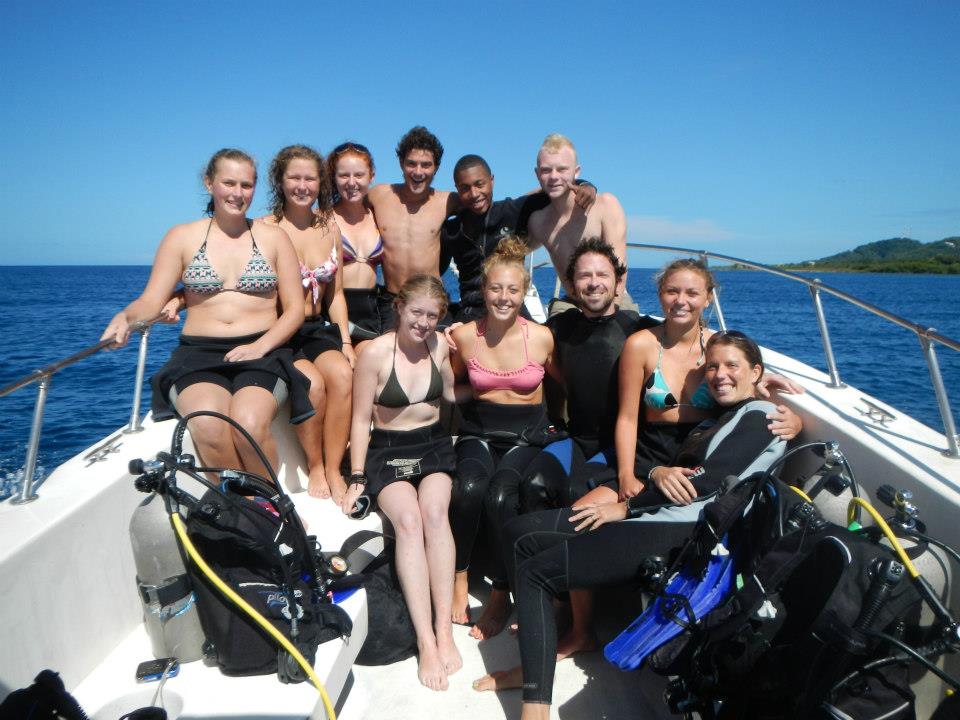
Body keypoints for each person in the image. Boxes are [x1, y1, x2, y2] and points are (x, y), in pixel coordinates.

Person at [472, 331, 789, 720]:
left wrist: (625, 508)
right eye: (712, 367)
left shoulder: (760, 417)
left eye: (731, 366)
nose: (719, 374)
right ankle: (538, 662)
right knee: (518, 534)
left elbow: (704, 483)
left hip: (683, 533)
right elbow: (685, 471)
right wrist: (650, 478)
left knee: (537, 571)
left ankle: (534, 709)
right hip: (663, 516)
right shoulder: (733, 414)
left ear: (756, 371)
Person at [101, 148, 306, 479]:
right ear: (209, 183)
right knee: (208, 427)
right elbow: (151, 301)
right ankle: (234, 511)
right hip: (199, 353)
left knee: (249, 425)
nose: (238, 193)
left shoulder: (274, 238)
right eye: (229, 183)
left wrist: (261, 346)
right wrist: (126, 317)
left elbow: (296, 309)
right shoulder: (181, 237)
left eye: (247, 185)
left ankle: (271, 506)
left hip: (262, 351)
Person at [341, 275, 462, 691]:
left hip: (431, 444)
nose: (424, 323)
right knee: (408, 521)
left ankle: (444, 630)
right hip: (386, 450)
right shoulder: (373, 353)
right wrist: (357, 477)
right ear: (399, 308)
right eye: (417, 312)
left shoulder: (441, 345)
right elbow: (359, 419)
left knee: (434, 513)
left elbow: (450, 395)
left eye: (433, 315)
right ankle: (425, 641)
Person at [448, 237, 559, 639]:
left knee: (500, 496)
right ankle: (458, 577)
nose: (504, 297)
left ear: (524, 291)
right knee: (468, 490)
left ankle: (500, 591)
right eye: (496, 288)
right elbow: (456, 384)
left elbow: (563, 387)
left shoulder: (542, 337)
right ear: (483, 289)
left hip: (526, 436)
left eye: (513, 289)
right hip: (478, 430)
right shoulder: (463, 336)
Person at [261, 145, 354, 501]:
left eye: (310, 178)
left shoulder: (328, 227)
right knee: (311, 384)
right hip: (282, 332)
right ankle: (315, 465)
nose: (302, 185)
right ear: (280, 181)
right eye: (294, 177)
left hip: (317, 329)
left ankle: (335, 467)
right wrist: (179, 297)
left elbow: (337, 295)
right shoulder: (266, 228)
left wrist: (345, 340)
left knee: (343, 375)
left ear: (321, 182)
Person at [440, 154, 597, 323]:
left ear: (491, 181)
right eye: (465, 188)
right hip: (472, 312)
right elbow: (435, 272)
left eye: (480, 184)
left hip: (513, 308)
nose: (474, 193)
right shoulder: (451, 230)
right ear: (457, 188)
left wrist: (587, 186)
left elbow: (555, 190)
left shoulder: (513, 211)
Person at [525, 133, 636, 314]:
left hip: (612, 299)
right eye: (546, 170)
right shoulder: (539, 222)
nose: (554, 177)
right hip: (573, 303)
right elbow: (511, 251)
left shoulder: (606, 206)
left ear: (576, 172)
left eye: (562, 170)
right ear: (537, 174)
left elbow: (619, 276)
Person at [366, 126, 459, 329]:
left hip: (431, 298)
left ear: (436, 167)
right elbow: (341, 209)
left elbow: (493, 207)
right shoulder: (379, 195)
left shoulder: (448, 201)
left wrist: (544, 193)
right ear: (401, 163)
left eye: (426, 165)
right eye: (411, 164)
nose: (418, 172)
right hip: (392, 300)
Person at [328, 142, 385, 345]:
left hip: (371, 313)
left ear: (372, 176)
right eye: (344, 175)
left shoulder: (379, 216)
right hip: (333, 312)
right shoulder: (323, 220)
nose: (351, 182)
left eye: (359, 175)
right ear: (334, 178)